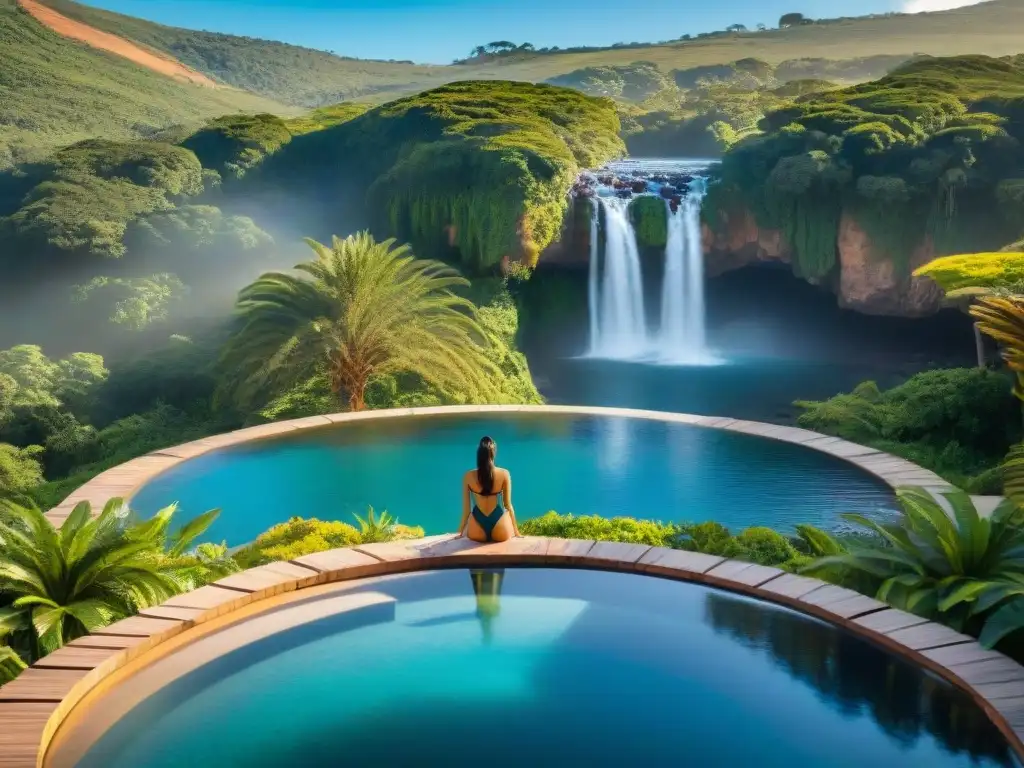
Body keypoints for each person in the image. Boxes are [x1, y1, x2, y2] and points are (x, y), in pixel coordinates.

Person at [455, 436, 521, 542]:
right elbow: (508, 505)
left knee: (469, 524)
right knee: (506, 514)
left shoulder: (468, 476)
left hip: (477, 527)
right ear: (493, 453)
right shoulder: (504, 474)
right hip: (500, 525)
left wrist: (459, 532)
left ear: (479, 455)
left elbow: (466, 511)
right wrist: (516, 532)